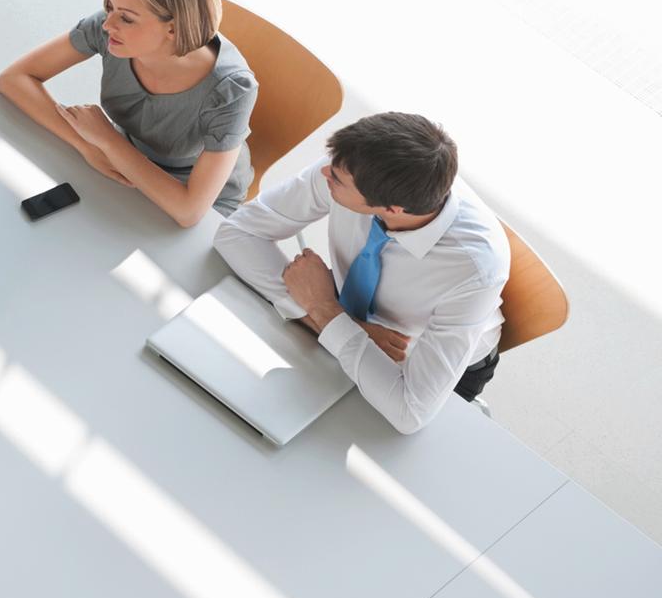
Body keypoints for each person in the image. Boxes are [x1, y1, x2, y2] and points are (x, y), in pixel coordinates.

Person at [213, 112, 510, 434]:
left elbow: (410, 413)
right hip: (344, 326)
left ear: (393, 210)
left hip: (414, 363)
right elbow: (237, 233)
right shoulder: (354, 165)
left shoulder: (475, 270)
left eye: (337, 179)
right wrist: (336, 319)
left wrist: (326, 311)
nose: (325, 172)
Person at [0, 0, 257, 224]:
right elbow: (14, 79)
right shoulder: (111, 30)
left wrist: (107, 140)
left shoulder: (232, 89)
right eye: (110, 8)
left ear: (174, 28)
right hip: (125, 163)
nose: (108, 24)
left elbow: (189, 211)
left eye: (127, 18)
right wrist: (86, 144)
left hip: (194, 196)